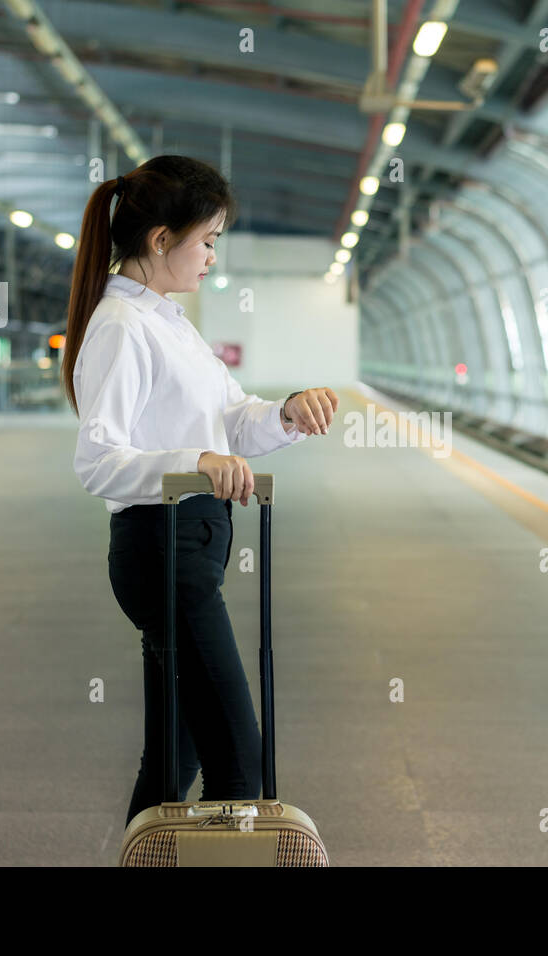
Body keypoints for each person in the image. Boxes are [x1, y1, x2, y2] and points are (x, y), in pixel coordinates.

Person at [59, 154, 339, 827]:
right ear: (161, 240)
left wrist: (287, 414)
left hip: (187, 551)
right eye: (207, 239)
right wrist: (197, 461)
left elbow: (230, 417)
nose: (214, 254)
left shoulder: (167, 321)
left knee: (172, 763)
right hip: (163, 553)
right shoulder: (122, 327)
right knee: (240, 763)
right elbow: (98, 460)